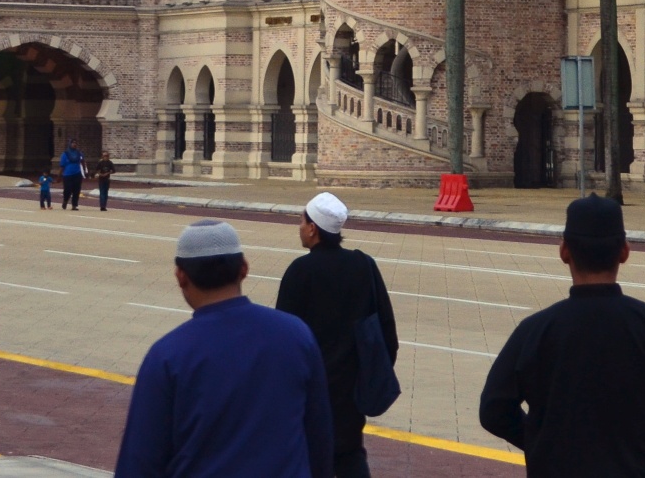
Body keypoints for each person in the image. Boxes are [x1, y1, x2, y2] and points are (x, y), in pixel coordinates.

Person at [478, 194, 645, 477]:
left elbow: (494, 409)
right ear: (624, 251)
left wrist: (543, 442)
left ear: (564, 252)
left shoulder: (536, 330)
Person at [115, 219, 332, 478]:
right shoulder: (296, 335)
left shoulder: (167, 356)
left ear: (181, 276)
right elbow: (319, 439)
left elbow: (140, 462)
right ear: (244, 268)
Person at [276, 193, 399, 478]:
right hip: (351, 388)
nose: (299, 227)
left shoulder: (300, 271)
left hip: (311, 389)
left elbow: (284, 338)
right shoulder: (363, 265)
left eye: (302, 221)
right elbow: (386, 328)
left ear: (313, 228)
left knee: (311, 457)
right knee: (349, 453)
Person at [60, 141, 86, 210]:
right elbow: (62, 166)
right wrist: (59, 175)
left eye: (75, 143)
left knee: (76, 190)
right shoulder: (65, 154)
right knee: (67, 189)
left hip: (77, 174)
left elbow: (82, 162)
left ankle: (74, 205)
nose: (74, 144)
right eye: (73, 143)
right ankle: (65, 200)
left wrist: (84, 171)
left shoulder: (79, 153)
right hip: (67, 175)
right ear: (70, 144)